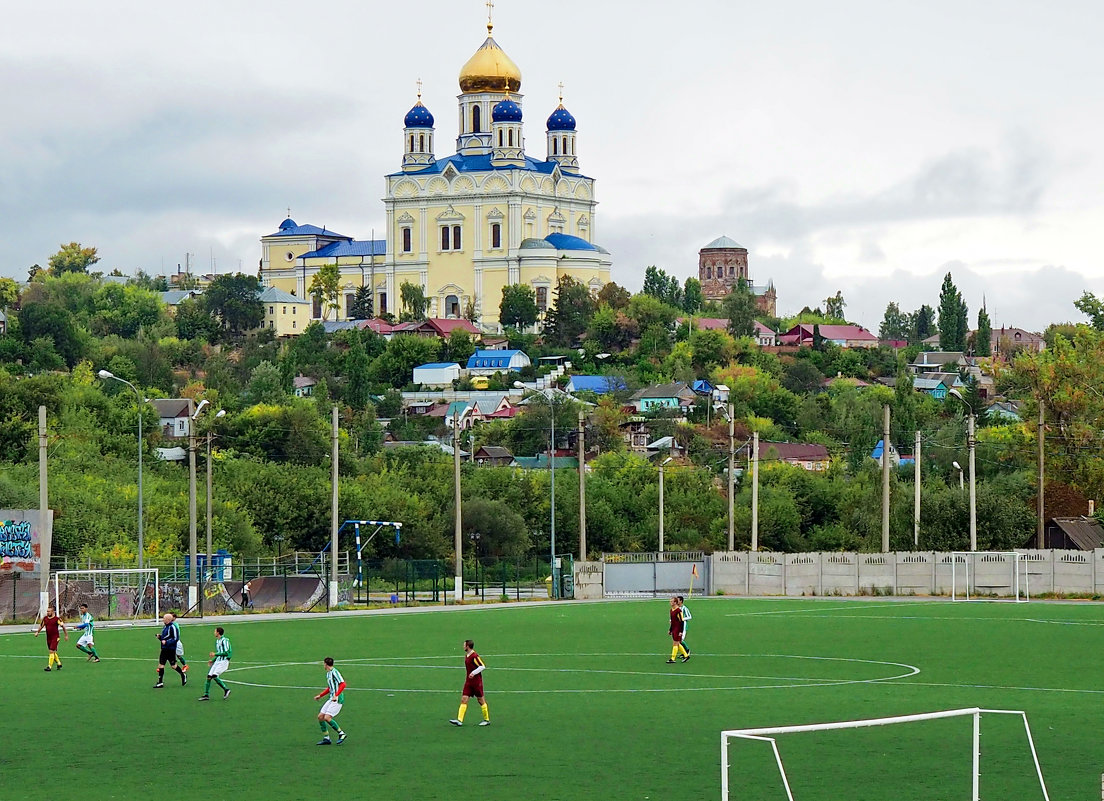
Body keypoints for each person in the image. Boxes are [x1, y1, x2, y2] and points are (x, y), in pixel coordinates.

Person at [449, 639, 489, 727]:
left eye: (464, 645)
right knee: (464, 699)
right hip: (468, 682)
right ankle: (459, 720)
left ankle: (486, 720)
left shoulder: (474, 656)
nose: (463, 646)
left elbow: (482, 666)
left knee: (481, 700)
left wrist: (473, 673)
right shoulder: (467, 655)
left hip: (476, 682)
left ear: (468, 646)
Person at [313, 657, 347, 745]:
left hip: (337, 699)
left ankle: (341, 733)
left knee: (327, 718)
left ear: (325, 664)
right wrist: (320, 695)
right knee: (320, 717)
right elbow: (330, 688)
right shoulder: (328, 674)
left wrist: (336, 695)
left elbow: (343, 684)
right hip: (331, 698)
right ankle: (326, 738)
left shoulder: (335, 672)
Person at [198, 626, 232, 701]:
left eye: (215, 631)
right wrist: (213, 660)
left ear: (218, 632)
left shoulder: (225, 640)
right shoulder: (217, 641)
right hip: (218, 661)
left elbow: (226, 652)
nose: (214, 633)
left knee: (214, 676)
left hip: (223, 661)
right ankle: (206, 695)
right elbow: (219, 653)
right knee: (209, 677)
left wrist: (215, 654)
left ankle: (226, 689)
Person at [154, 612, 187, 688]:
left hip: (170, 649)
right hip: (164, 649)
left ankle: (183, 674)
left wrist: (166, 642)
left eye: (164, 619)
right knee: (161, 665)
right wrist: (160, 637)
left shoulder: (173, 627)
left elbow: (175, 638)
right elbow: (165, 637)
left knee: (173, 666)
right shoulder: (165, 627)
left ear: (168, 620)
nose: (163, 620)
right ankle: (160, 682)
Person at [34, 605, 68, 671]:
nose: (47, 612)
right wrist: (37, 632)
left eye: (49, 611)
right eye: (47, 611)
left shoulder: (57, 619)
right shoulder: (45, 619)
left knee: (51, 651)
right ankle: (59, 663)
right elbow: (41, 626)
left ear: (52, 612)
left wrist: (66, 635)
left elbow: (63, 627)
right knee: (53, 652)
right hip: (48, 637)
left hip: (55, 637)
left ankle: (49, 667)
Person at [667, 596, 689, 664]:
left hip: (677, 628)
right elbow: (673, 621)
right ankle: (686, 655)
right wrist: (670, 630)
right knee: (677, 643)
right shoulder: (671, 610)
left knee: (675, 643)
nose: (670, 602)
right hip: (674, 628)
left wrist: (680, 631)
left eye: (671, 601)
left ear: (675, 602)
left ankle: (673, 658)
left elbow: (681, 621)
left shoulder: (679, 611)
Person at [677, 595, 692, 660]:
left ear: (681, 601)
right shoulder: (676, 608)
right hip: (677, 626)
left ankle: (687, 650)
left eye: (677, 600)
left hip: (683, 626)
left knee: (680, 640)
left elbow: (690, 617)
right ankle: (684, 653)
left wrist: (682, 618)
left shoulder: (684, 608)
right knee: (678, 640)